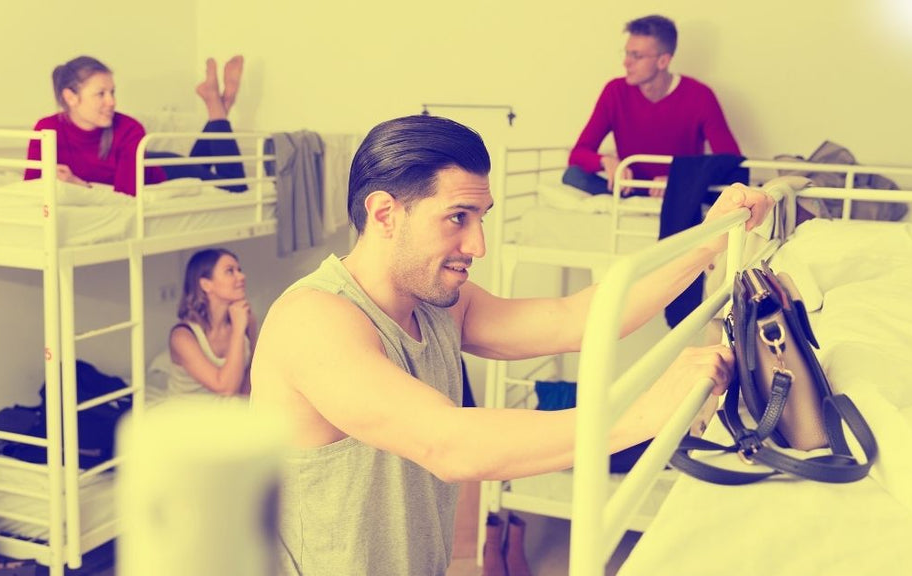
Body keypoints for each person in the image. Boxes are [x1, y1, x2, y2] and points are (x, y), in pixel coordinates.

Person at [249, 115, 773, 575]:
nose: (477, 245)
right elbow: (449, 444)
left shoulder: (438, 303)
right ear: (385, 214)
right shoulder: (313, 320)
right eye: (458, 217)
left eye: (481, 218)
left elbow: (578, 317)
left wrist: (708, 241)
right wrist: (638, 417)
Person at [564, 15, 741, 197]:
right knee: (573, 176)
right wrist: (605, 161)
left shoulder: (700, 96)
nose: (626, 62)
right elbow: (578, 154)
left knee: (728, 188)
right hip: (629, 190)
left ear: (663, 61)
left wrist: (678, 179)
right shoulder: (614, 91)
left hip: (677, 193)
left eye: (636, 56)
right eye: (626, 53)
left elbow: (730, 161)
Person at [25, 55, 247, 196]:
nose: (111, 101)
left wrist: (76, 184)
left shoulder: (129, 128)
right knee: (204, 164)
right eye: (100, 94)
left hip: (165, 169)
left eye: (112, 92)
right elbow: (31, 188)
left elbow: (126, 196)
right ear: (71, 97)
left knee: (237, 189)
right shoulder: (47, 130)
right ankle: (221, 105)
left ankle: (215, 106)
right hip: (145, 160)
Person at [167, 248, 256, 398]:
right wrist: (238, 329)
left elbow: (251, 374)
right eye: (230, 271)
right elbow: (225, 388)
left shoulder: (247, 318)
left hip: (229, 413)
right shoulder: (181, 336)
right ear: (206, 285)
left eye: (239, 270)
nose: (241, 276)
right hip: (188, 416)